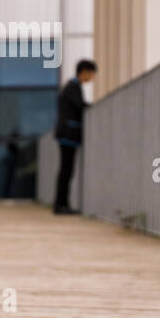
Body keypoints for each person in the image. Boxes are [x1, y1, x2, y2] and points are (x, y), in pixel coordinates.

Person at [53, 59, 96, 215]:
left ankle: (62, 204)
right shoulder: (73, 87)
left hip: (68, 134)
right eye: (91, 74)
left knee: (66, 171)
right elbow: (80, 106)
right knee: (66, 171)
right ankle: (61, 205)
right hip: (68, 134)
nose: (92, 78)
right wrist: (93, 106)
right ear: (84, 71)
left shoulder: (72, 86)